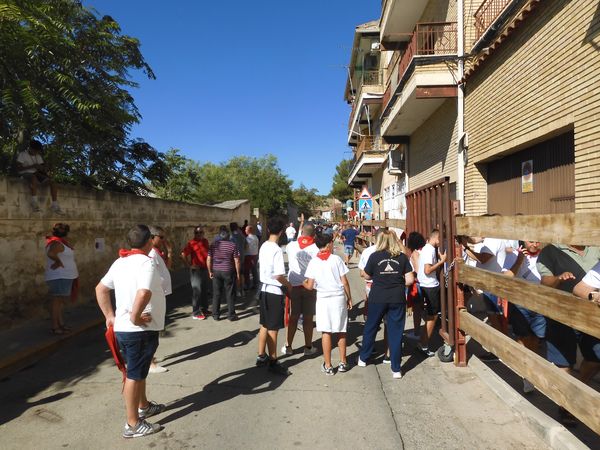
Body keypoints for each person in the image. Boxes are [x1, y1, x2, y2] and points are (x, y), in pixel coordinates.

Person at [95, 224, 166, 438]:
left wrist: (110, 316)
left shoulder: (120, 262)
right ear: (149, 241)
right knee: (134, 375)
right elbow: (144, 292)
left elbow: (101, 289)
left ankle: (144, 406)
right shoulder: (146, 263)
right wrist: (135, 317)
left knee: (138, 370)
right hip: (138, 330)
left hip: (126, 329)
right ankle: (132, 423)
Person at [537, 243, 600, 426]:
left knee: (596, 357)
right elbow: (545, 281)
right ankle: (566, 405)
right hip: (562, 310)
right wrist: (558, 278)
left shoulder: (595, 246)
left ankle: (577, 390)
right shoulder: (551, 250)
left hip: (590, 314)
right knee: (564, 361)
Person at [358, 230, 414, 379]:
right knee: (395, 332)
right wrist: (397, 281)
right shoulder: (402, 257)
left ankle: (363, 358)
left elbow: (367, 275)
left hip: (378, 296)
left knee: (371, 327)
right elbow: (410, 280)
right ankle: (396, 369)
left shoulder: (374, 256)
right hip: (397, 297)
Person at [303, 232, 352, 375]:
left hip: (323, 299)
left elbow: (310, 286)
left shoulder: (313, 262)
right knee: (341, 330)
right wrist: (349, 298)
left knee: (326, 331)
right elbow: (344, 282)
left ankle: (328, 365)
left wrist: (303, 282)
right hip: (338, 298)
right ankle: (343, 362)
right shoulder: (336, 259)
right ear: (329, 244)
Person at [502, 240, 546, 393]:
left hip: (540, 302)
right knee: (523, 337)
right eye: (530, 241)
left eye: (537, 241)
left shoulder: (545, 256)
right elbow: (507, 276)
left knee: (535, 338)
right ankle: (526, 374)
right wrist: (520, 259)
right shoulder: (513, 255)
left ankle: (530, 369)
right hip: (520, 302)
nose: (534, 244)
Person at [256, 217, 292, 375]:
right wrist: (288, 285)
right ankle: (273, 360)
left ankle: (261, 355)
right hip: (274, 291)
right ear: (282, 231)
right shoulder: (277, 250)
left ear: (268, 229)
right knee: (273, 328)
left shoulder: (264, 245)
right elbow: (278, 275)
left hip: (264, 289)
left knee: (264, 323)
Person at [282, 223, 320, 356]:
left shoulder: (291, 246)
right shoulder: (316, 248)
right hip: (310, 286)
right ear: (314, 234)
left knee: (293, 317)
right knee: (308, 318)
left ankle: (288, 346)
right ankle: (308, 347)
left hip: (293, 286)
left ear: (301, 232)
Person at [417, 229, 447, 356]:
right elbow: (427, 270)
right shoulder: (429, 250)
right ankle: (423, 344)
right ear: (437, 238)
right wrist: (442, 262)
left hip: (426, 285)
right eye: (442, 239)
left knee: (431, 316)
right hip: (430, 286)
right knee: (432, 317)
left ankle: (422, 342)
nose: (442, 242)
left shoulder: (426, 248)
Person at [147, 226, 173, 374]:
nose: (164, 240)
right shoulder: (151, 254)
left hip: (160, 295)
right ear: (152, 237)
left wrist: (169, 252)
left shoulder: (157, 252)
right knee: (153, 329)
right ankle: (150, 362)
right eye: (161, 237)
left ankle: (151, 358)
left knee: (156, 328)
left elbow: (166, 269)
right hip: (154, 296)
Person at [45, 223, 78, 334]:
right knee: (57, 301)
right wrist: (58, 261)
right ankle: (55, 326)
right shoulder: (56, 243)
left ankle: (61, 324)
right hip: (59, 276)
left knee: (59, 302)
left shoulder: (59, 242)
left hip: (63, 276)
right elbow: (51, 254)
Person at [17, 139, 62, 213]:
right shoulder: (22, 154)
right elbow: (18, 168)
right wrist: (32, 166)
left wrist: (44, 168)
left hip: (36, 173)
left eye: (37, 151)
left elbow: (42, 168)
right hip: (25, 173)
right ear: (30, 148)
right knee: (33, 178)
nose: (36, 153)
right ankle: (34, 202)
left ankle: (54, 205)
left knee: (52, 182)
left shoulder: (38, 156)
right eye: (35, 151)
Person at [207, 226, 241, 321]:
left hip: (216, 271)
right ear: (228, 235)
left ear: (219, 235)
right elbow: (237, 260)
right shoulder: (232, 245)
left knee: (216, 293)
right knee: (230, 293)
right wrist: (238, 274)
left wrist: (210, 271)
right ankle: (231, 315)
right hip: (228, 271)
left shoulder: (213, 245)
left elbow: (208, 259)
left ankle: (215, 315)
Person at [181, 226, 211, 320]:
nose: (199, 234)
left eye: (200, 232)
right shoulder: (191, 243)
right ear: (194, 234)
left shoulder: (205, 241)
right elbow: (183, 254)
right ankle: (196, 312)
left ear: (203, 233)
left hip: (205, 269)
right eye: (196, 233)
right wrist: (189, 266)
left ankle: (204, 309)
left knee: (204, 290)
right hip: (196, 270)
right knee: (197, 291)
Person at [405, 231, 427, 340]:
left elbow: (418, 271)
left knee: (417, 310)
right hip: (428, 282)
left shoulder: (415, 254)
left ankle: (417, 332)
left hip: (418, 284)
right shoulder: (425, 250)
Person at [230, 222, 246, 296]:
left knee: (236, 274)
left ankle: (237, 290)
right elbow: (246, 244)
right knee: (241, 274)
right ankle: (242, 290)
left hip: (234, 258)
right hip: (242, 256)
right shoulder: (242, 235)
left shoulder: (231, 237)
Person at [244, 225, 259, 290]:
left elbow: (246, 247)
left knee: (247, 271)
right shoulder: (256, 237)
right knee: (254, 270)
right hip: (255, 254)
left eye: (246, 229)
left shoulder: (247, 239)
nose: (245, 230)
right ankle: (255, 284)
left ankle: (247, 285)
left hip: (249, 255)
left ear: (249, 230)